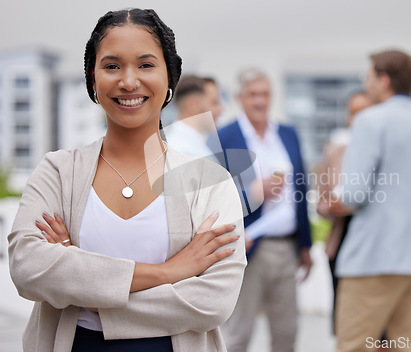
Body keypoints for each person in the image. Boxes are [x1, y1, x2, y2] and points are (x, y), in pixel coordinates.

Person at [8, 8, 246, 352]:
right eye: (112, 66)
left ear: (170, 80)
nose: (129, 81)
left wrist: (82, 287)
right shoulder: (58, 171)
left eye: (146, 65)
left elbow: (213, 302)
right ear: (93, 79)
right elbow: (28, 267)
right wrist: (168, 272)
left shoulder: (210, 181)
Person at [328, 50, 411, 352]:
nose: (366, 82)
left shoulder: (369, 122)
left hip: (373, 261)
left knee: (354, 346)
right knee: (407, 347)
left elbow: (353, 195)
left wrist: (334, 199)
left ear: (383, 80)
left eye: (369, 76)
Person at [218, 67, 312, 352]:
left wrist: (305, 245)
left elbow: (302, 190)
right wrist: (254, 193)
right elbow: (214, 197)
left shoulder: (288, 133)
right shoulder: (225, 137)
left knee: (287, 332)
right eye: (253, 95)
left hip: (286, 248)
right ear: (240, 98)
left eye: (265, 94)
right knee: (238, 334)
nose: (260, 101)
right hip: (247, 246)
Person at [316, 91, 372, 335]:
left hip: (374, 246)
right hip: (342, 242)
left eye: (364, 111)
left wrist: (356, 203)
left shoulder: (385, 151)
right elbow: (321, 203)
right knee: (346, 325)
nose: (358, 118)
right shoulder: (335, 152)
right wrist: (332, 207)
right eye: (353, 112)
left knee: (377, 328)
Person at [165, 74, 218, 162]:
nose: (221, 109)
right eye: (214, 102)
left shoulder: (194, 144)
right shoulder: (181, 150)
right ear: (193, 105)